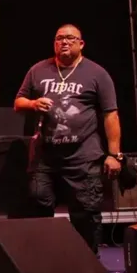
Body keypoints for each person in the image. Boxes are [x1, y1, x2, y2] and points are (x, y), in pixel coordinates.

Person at [13, 24, 121, 253]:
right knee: (38, 203)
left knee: (85, 213)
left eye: (70, 38)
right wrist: (33, 103)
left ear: (81, 44)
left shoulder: (97, 73)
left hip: (83, 156)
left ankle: (87, 261)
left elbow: (110, 115)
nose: (64, 42)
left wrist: (114, 155)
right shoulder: (38, 70)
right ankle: (43, 258)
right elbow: (18, 102)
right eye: (59, 38)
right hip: (45, 156)